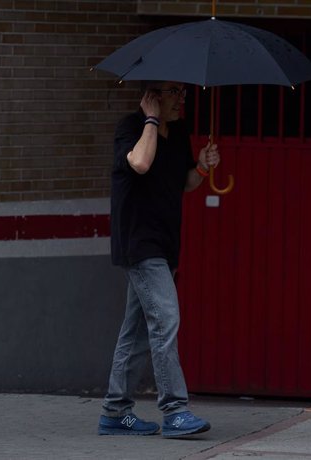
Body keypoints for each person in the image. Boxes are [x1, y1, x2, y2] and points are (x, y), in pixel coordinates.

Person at [98, 81, 219, 438]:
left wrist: (202, 166)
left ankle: (115, 412)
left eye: (184, 92)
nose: (182, 99)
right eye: (174, 92)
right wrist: (150, 120)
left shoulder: (179, 131)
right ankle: (175, 410)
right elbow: (140, 162)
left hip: (165, 244)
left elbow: (186, 183)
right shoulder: (130, 128)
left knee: (135, 332)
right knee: (166, 318)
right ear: (153, 95)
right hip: (139, 243)